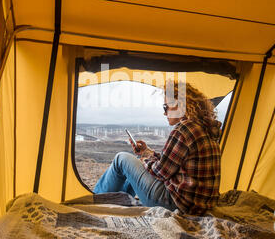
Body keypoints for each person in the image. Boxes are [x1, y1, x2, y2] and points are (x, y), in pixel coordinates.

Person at [93, 82, 222, 215]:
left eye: (166, 107)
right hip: (200, 206)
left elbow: (160, 172)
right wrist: (146, 152)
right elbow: (172, 164)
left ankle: (95, 200)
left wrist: (144, 159)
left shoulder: (184, 130)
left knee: (122, 158)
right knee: (140, 165)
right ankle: (118, 199)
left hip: (175, 204)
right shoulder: (205, 129)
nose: (164, 112)